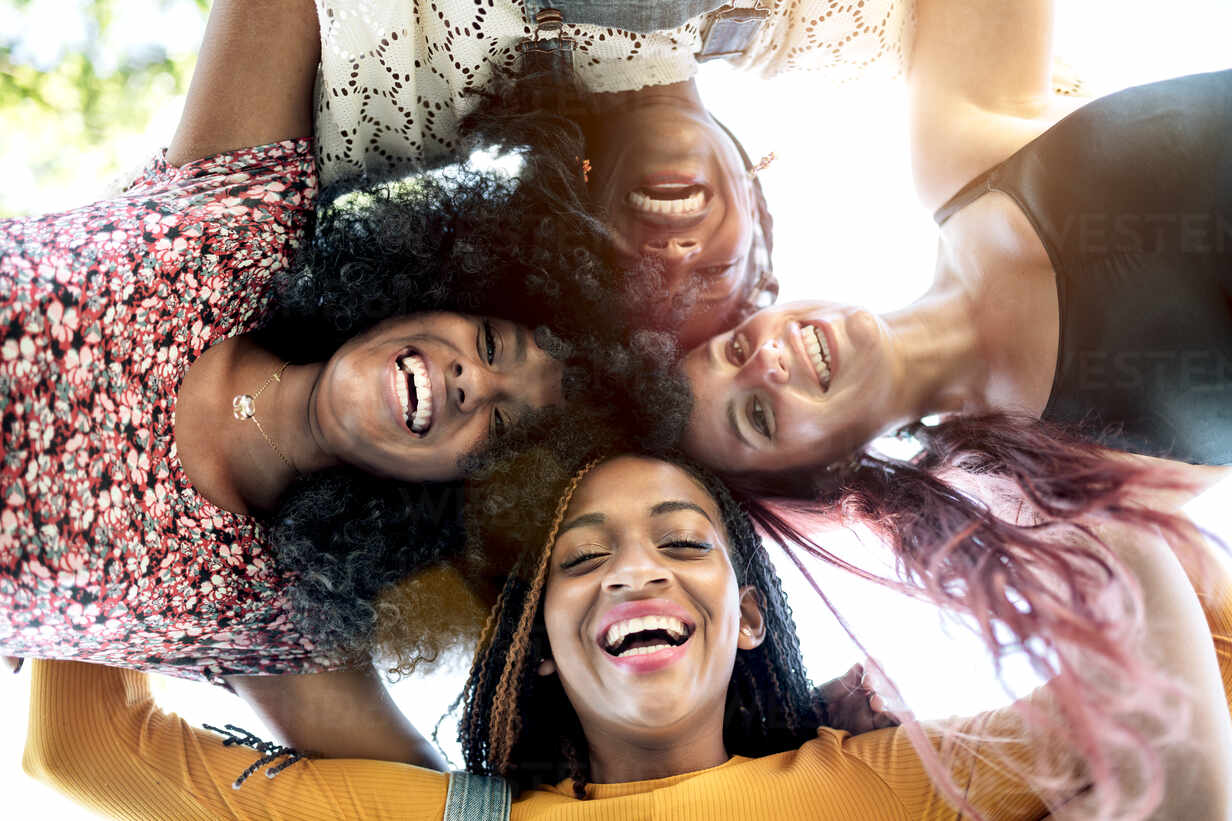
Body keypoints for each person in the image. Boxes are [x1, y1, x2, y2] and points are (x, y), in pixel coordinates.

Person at [0, 0, 684, 768]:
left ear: (449, 497)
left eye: (501, 426)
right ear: (435, 291)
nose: (471, 382)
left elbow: (431, 801)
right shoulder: (241, 227)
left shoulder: (269, 616)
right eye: (492, 342)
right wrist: (665, 96)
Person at [21, 448, 1232, 820]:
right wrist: (143, 433)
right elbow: (82, 743)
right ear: (542, 640)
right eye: (582, 557)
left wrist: (969, 487)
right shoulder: (448, 817)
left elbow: (1189, 700)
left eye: (682, 540)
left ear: (749, 616)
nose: (631, 570)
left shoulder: (883, 778)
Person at [682, 0, 1231, 473]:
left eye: (734, 348)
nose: (763, 362)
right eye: (757, 415)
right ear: (822, 475)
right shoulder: (1050, 481)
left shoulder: (955, 161)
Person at [309, 0, 916, 346]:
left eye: (632, 275)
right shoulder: (846, 31)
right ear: (758, 215)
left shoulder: (416, 86)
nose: (674, 254)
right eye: (715, 271)